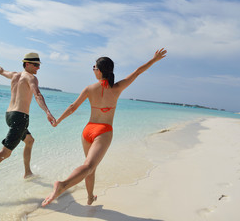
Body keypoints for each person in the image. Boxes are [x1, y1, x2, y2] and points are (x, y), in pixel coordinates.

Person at [42, 48, 167, 207]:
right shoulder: (117, 88)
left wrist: (58, 120)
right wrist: (154, 60)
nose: (93, 70)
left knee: (89, 167)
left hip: (87, 131)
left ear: (100, 71)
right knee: (89, 166)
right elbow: (137, 72)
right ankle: (63, 185)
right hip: (103, 131)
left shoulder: (89, 89)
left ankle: (89, 197)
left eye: (94, 67)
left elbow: (73, 107)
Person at [0, 52, 56, 196]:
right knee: (5, 153)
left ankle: (27, 172)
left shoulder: (14, 75)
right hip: (20, 117)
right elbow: (37, 94)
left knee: (29, 140)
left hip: (9, 115)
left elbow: (1, 71)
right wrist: (47, 112)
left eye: (39, 65)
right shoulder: (31, 77)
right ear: (27, 64)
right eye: (36, 65)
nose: (38, 68)